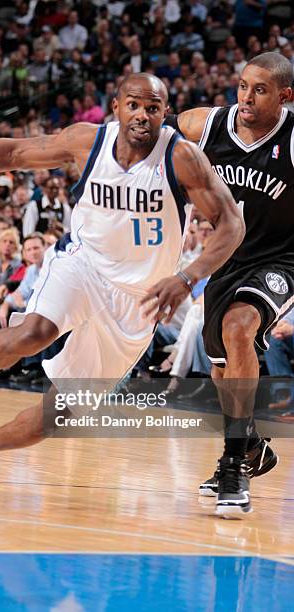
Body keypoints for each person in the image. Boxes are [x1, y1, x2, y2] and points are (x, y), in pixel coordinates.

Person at [0, 73, 243, 502]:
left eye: (152, 108)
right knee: (35, 331)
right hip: (82, 266)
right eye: (133, 105)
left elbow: (232, 223)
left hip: (140, 299)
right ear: (115, 106)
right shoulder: (87, 141)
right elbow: (14, 152)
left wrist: (187, 276)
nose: (142, 115)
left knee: (61, 412)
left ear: (165, 113)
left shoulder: (182, 158)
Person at [164, 52, 293, 516]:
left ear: (284, 97)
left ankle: (234, 464)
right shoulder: (210, 125)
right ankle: (253, 446)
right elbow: (159, 121)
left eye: (259, 90)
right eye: (242, 86)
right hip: (225, 259)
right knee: (222, 370)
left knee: (241, 329)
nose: (246, 97)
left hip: (281, 259)